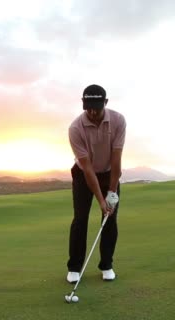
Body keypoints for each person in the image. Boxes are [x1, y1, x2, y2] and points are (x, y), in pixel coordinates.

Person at [66, 84, 126, 283]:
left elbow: (116, 160)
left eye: (97, 107)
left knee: (109, 219)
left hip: (110, 173)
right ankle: (74, 267)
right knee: (80, 219)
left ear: (106, 103)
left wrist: (111, 193)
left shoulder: (118, 121)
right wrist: (100, 200)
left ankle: (106, 265)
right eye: (88, 107)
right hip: (84, 175)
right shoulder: (75, 128)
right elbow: (87, 168)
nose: (92, 112)